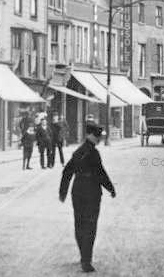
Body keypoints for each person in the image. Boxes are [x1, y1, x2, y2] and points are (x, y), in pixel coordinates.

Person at [59, 116, 116, 273]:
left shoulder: (78, 152)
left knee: (79, 224)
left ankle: (83, 256)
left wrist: (63, 192)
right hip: (92, 193)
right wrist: (110, 188)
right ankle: (86, 260)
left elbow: (67, 171)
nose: (98, 140)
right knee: (90, 226)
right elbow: (100, 173)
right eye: (98, 137)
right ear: (92, 135)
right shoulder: (94, 153)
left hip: (77, 192)